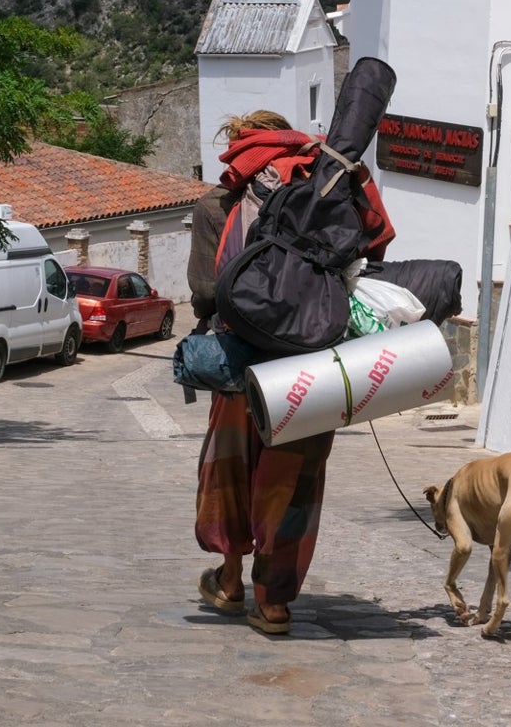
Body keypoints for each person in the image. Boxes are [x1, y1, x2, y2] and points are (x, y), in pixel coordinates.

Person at [187, 110, 336, 635]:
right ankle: (273, 604)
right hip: (311, 370)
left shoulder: (216, 205)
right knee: (290, 482)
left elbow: (207, 292)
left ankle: (230, 580)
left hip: (239, 367)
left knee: (231, 472)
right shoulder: (323, 196)